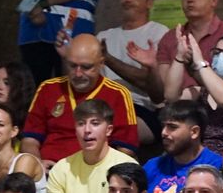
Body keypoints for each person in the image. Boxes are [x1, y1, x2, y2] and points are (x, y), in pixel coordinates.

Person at [23, 36, 137, 165]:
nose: (78, 73)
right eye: (72, 66)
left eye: (86, 67)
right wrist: (38, 166)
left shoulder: (118, 94)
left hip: (94, 171)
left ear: (101, 63)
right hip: (49, 169)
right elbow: (30, 140)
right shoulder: (48, 88)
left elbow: (125, 149)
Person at [96, 0, 168, 136]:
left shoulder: (159, 33)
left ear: (149, 2)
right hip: (103, 107)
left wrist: (108, 59)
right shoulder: (103, 36)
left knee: (111, 129)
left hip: (140, 108)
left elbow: (151, 84)